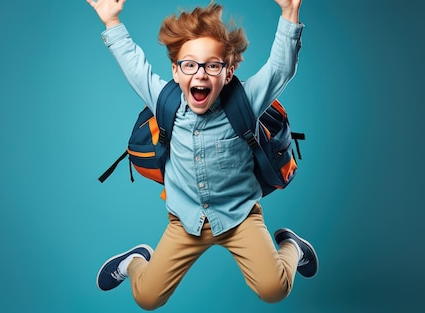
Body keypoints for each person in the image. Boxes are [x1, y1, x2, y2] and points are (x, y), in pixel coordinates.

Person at [88, 0, 317, 309]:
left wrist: (290, 12)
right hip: (185, 221)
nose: (200, 74)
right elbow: (134, 65)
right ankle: (134, 261)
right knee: (146, 298)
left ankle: (292, 247)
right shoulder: (165, 101)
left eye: (212, 65)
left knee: (275, 290)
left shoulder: (246, 101)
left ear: (228, 72)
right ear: (176, 70)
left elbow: (281, 69)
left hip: (240, 218)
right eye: (189, 64)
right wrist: (111, 21)